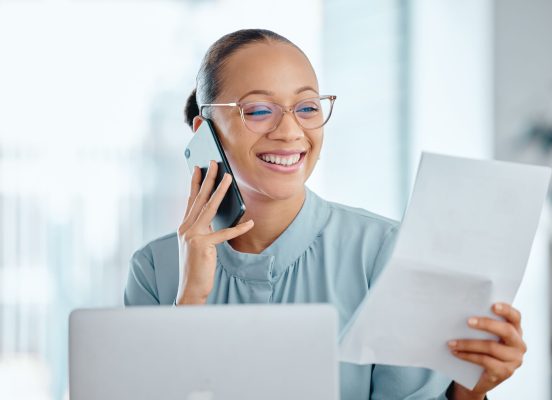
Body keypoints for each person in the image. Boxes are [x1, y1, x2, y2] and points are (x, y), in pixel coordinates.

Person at [124, 29, 526, 400]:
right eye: (260, 110)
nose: (290, 131)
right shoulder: (155, 270)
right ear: (204, 131)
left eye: (307, 107)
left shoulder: (386, 252)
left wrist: (470, 389)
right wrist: (189, 300)